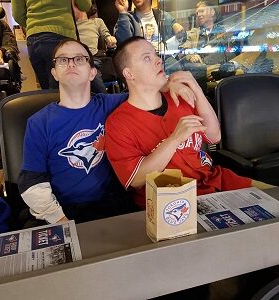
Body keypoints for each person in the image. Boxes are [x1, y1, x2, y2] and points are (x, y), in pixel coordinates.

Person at [18, 38, 197, 225]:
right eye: (63, 60)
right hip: (65, 210)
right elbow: (32, 181)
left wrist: (167, 85)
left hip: (115, 205)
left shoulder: (110, 104)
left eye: (79, 59)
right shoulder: (39, 123)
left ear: (92, 72)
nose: (71, 63)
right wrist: (60, 220)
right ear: (54, 73)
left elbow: (143, 89)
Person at [105, 37, 272, 209]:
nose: (158, 61)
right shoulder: (118, 123)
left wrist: (196, 88)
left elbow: (213, 137)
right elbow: (136, 180)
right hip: (169, 201)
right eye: (147, 58)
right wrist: (174, 139)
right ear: (129, 74)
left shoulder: (179, 96)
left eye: (155, 55)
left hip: (215, 181)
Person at [11, 0, 92, 89]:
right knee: (65, 90)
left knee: (46, 90)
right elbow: (85, 5)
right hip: (61, 35)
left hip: (34, 40)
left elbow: (17, 15)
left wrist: (36, 25)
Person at [73, 3, 117, 93]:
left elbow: (106, 35)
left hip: (93, 59)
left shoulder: (96, 21)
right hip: (76, 61)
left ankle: (104, 99)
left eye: (73, 5)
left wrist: (110, 39)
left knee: (91, 72)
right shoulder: (71, 26)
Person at [114, 0, 185, 51]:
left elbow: (183, 38)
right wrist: (123, 12)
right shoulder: (127, 18)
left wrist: (178, 29)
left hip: (164, 59)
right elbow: (123, 43)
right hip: (142, 61)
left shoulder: (162, 15)